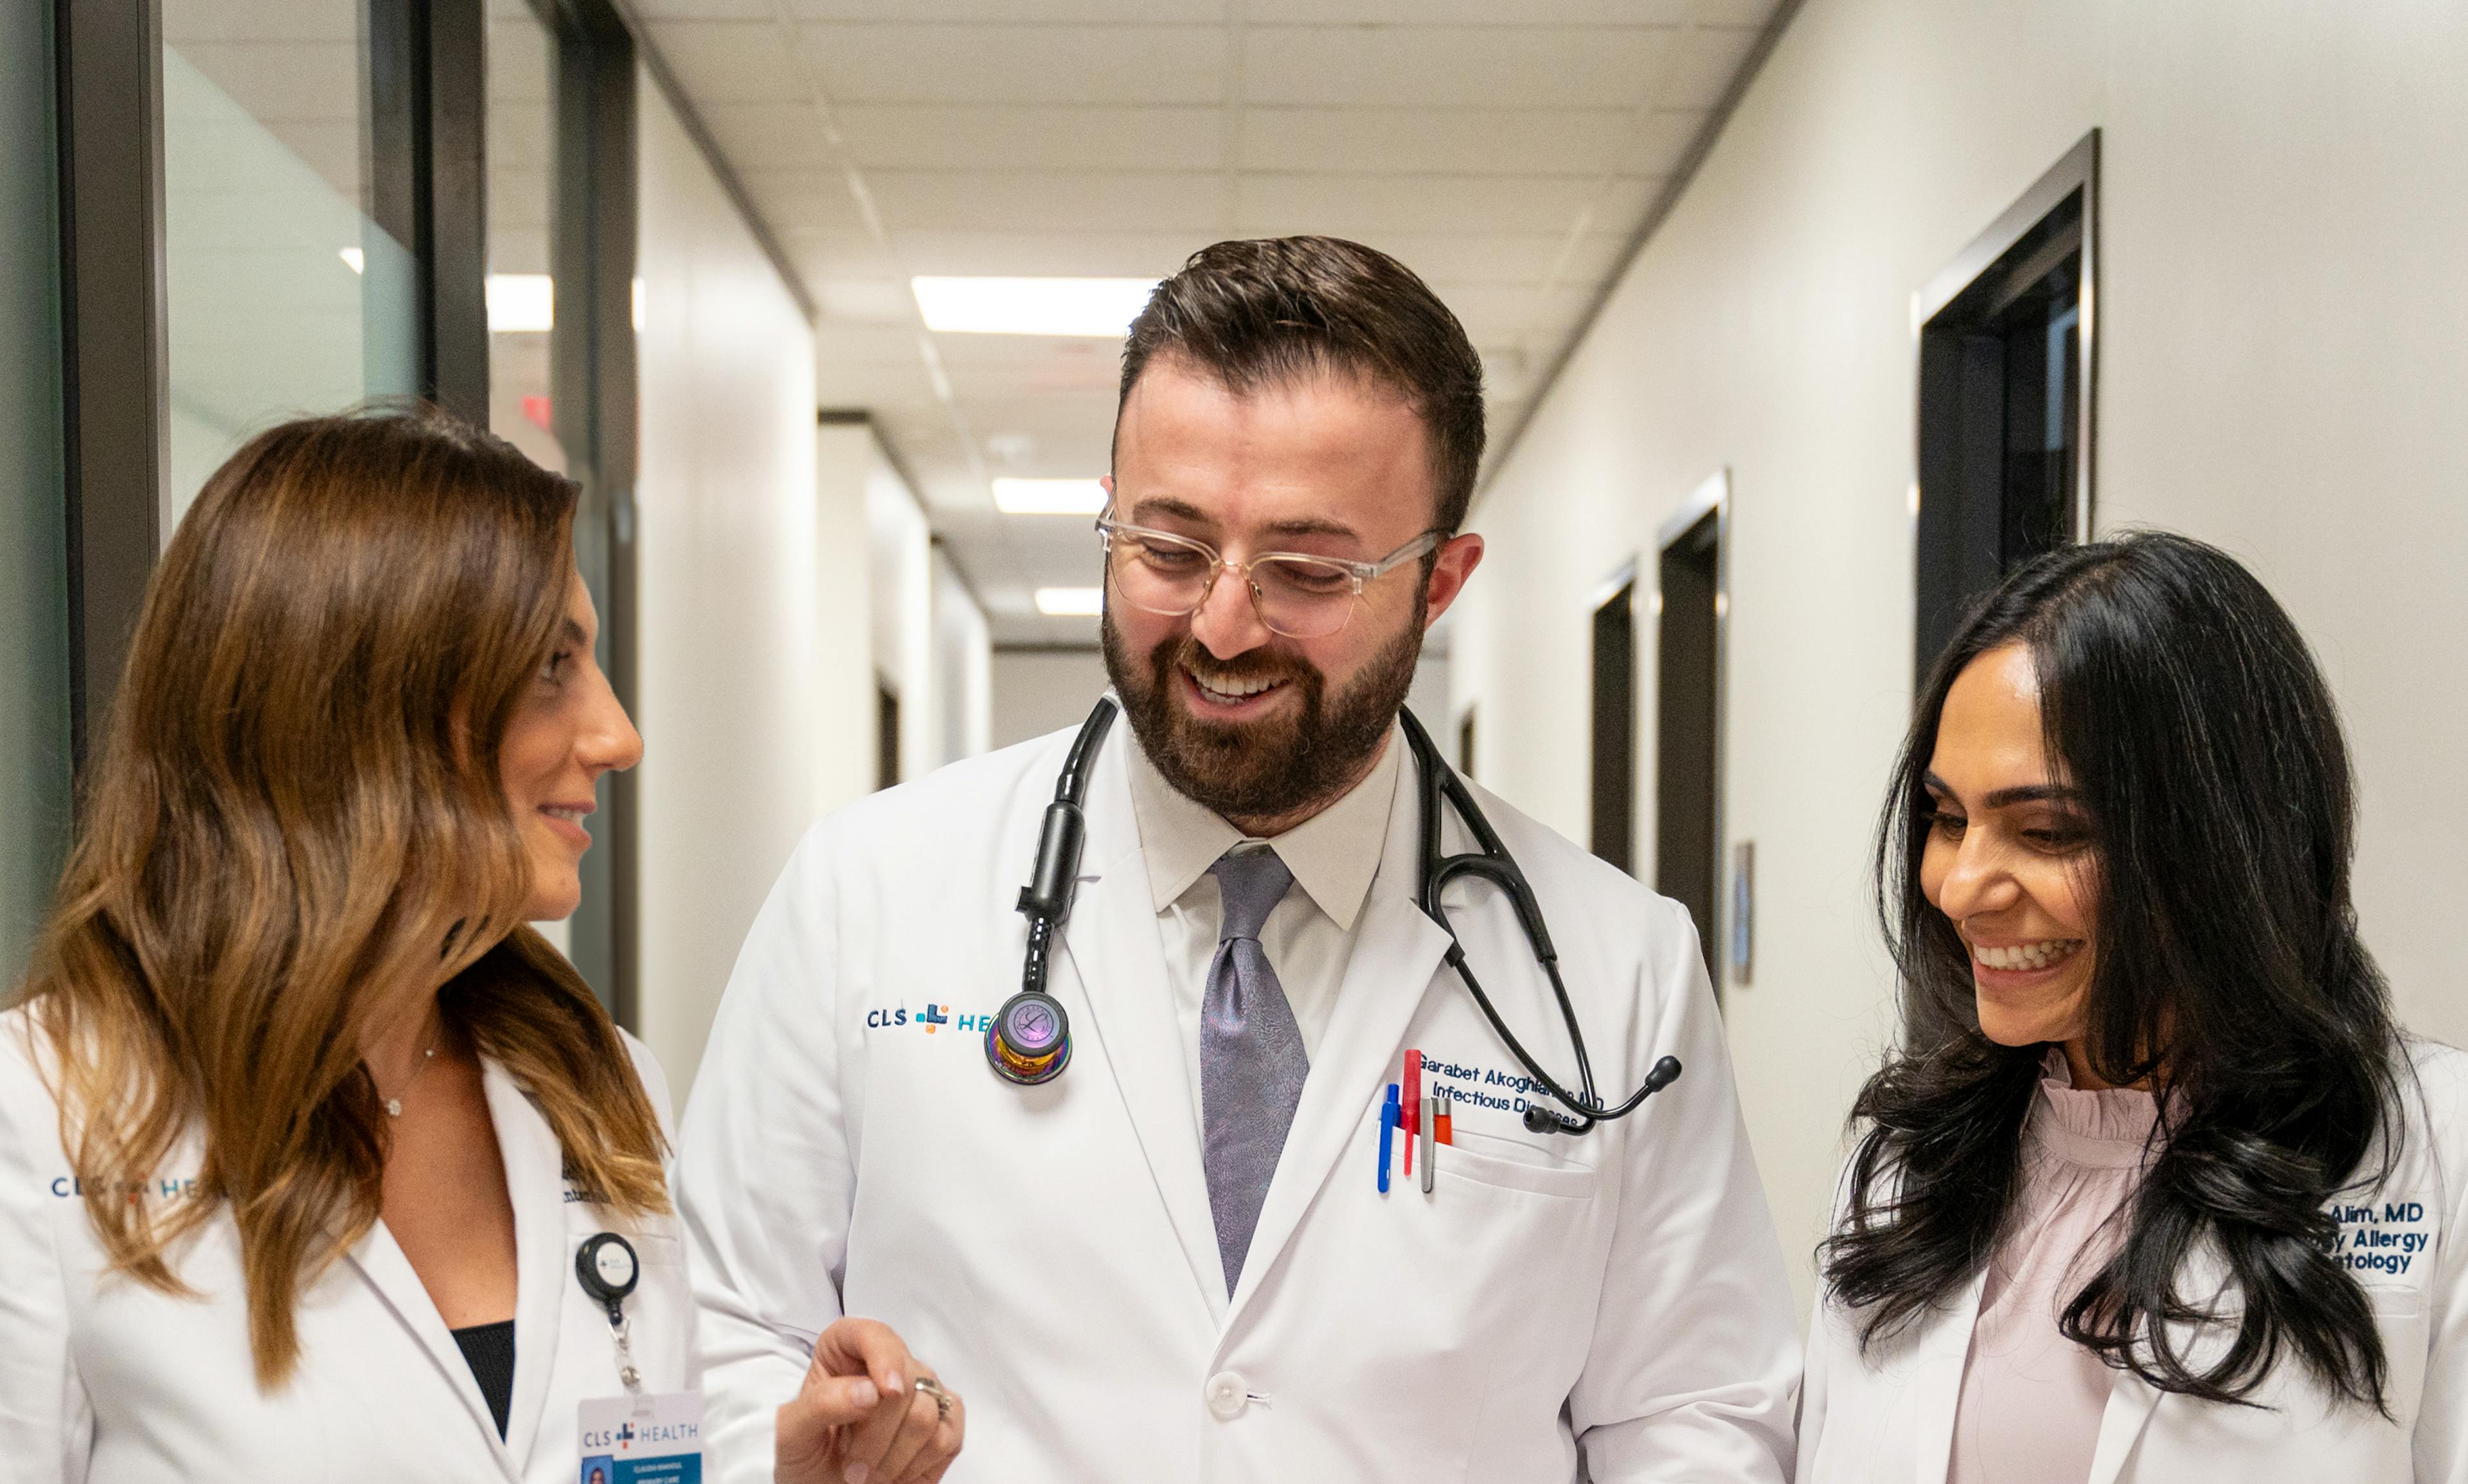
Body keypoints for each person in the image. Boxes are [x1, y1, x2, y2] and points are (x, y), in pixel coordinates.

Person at [677, 237, 1798, 1482]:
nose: (1221, 622)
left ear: (1441, 583)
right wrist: (790, 1447)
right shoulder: (865, 895)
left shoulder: (1620, 969)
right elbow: (716, 1341)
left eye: (1308, 570)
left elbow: (1700, 1417)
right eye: (1167, 549)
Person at [0, 411, 954, 1483]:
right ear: (359, 705)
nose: (617, 735)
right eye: (553, 666)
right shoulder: (45, 1115)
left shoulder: (593, 1081)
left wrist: (780, 1470)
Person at [1798, 531, 2468, 1481]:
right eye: (1948, 818)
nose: (1962, 885)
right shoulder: (1913, 1159)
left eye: (2045, 830)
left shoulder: (2435, 1152)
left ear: (2219, 847)